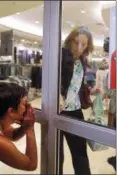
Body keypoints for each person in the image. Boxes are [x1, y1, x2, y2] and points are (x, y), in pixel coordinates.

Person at [60, 26, 94, 175]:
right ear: (70, 41)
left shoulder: (82, 60)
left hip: (75, 111)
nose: (79, 47)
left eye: (84, 44)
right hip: (58, 111)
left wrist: (88, 90)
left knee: (81, 155)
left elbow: (76, 83)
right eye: (76, 42)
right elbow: (50, 79)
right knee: (56, 155)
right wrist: (58, 95)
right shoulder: (60, 56)